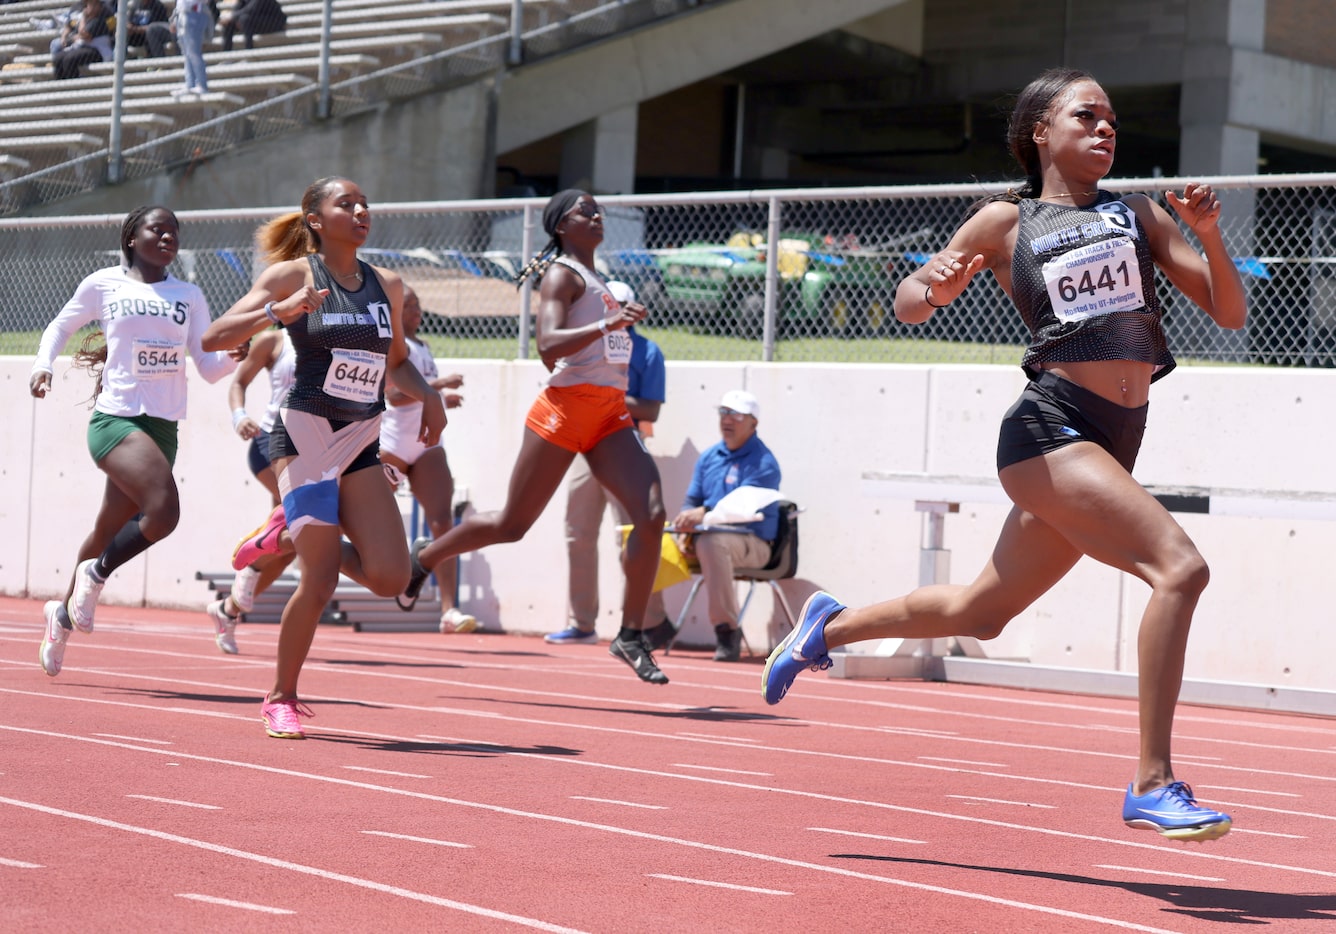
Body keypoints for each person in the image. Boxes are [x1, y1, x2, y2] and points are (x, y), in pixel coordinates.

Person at [761, 67, 1247, 843]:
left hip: (1115, 440)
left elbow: (1227, 312)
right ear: (1040, 134)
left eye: (1112, 119)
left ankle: (829, 625)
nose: (1105, 129)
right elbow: (911, 304)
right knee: (1179, 567)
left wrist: (1211, 236)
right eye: (1086, 116)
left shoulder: (1141, 216)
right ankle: (1152, 782)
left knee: (981, 612)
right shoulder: (1004, 221)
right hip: (1050, 431)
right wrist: (937, 284)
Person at [201, 176, 446, 739]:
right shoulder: (292, 275)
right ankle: (281, 696)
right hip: (304, 432)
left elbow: (397, 363)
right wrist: (277, 313)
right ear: (315, 218)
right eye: (347, 203)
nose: (361, 210)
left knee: (391, 576)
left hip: (360, 437)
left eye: (366, 203)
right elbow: (215, 337)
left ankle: (286, 531)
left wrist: (429, 395)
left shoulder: (388, 284)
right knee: (319, 581)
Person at [400, 189, 670, 684]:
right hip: (564, 411)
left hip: (609, 415)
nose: (595, 214)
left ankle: (631, 634)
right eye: (582, 210)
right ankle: (427, 555)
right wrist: (611, 323)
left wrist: (615, 323)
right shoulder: (561, 275)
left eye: (597, 209)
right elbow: (547, 346)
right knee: (511, 524)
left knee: (651, 516)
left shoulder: (599, 280)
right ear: (560, 226)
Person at [32, 205, 247, 677]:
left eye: (175, 231)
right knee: (164, 510)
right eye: (158, 229)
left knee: (109, 528)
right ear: (132, 237)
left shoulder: (188, 295)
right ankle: (96, 574)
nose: (169, 236)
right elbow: (61, 325)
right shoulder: (104, 283)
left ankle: (62, 614)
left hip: (162, 428)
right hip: (116, 420)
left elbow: (207, 368)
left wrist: (233, 357)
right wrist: (44, 364)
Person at [547, 279, 672, 650]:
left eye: (619, 304)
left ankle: (652, 622)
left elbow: (650, 409)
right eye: (607, 304)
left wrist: (605, 396)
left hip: (623, 447)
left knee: (633, 535)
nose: (612, 310)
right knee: (577, 533)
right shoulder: (585, 344)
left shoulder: (648, 352)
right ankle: (582, 623)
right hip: (585, 443)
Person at [381, 284, 474, 633]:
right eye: (410, 306)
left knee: (442, 523)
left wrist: (439, 399)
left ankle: (449, 610)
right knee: (361, 520)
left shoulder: (424, 346)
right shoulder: (392, 346)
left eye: (419, 306)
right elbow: (393, 395)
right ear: (394, 312)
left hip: (427, 444)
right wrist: (438, 386)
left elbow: (420, 397)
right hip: (392, 444)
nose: (418, 312)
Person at [204, 323, 298, 654]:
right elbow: (239, 382)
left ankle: (228, 610)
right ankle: (254, 559)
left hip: (309, 449)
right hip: (270, 442)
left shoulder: (333, 335)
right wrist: (239, 416)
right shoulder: (275, 339)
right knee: (299, 525)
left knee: (291, 547)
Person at [671, 389, 781, 662]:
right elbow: (690, 502)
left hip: (754, 543)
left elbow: (740, 510)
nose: (727, 420)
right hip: (707, 538)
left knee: (711, 542)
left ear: (754, 423)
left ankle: (727, 631)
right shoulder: (708, 457)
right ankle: (650, 626)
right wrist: (685, 523)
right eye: (723, 412)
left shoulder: (764, 463)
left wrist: (703, 515)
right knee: (645, 538)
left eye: (736, 414)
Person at [49, 0, 110, 80]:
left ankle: (74, 88)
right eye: (89, 5)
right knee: (58, 58)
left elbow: (84, 34)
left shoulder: (102, 16)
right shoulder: (84, 13)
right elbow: (71, 28)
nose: (90, 7)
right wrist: (69, 36)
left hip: (98, 50)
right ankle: (61, 88)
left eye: (94, 4)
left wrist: (84, 16)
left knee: (69, 59)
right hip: (83, 47)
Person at [169, 0, 212, 95]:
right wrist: (176, 19)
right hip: (182, 13)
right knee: (187, 53)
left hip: (195, 13)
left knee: (193, 52)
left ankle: (201, 84)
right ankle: (190, 84)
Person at [219, 0, 286, 52]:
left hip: (274, 22)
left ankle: (249, 51)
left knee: (244, 19)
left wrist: (233, 16)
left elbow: (252, 9)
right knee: (228, 23)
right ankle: (227, 55)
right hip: (255, 22)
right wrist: (230, 18)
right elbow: (237, 9)